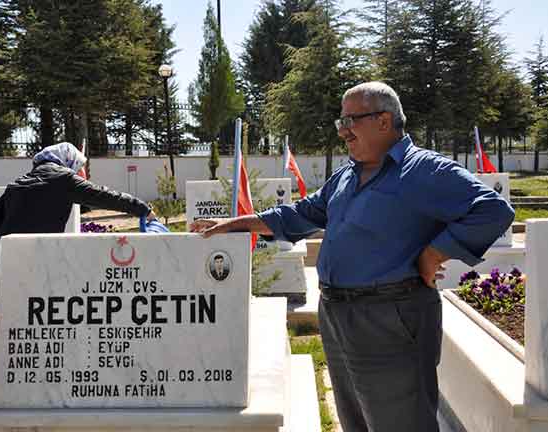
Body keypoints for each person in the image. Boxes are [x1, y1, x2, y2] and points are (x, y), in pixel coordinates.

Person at [191, 82, 515, 432]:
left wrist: (434, 253)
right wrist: (233, 224)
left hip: (391, 318)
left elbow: (493, 211)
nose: (343, 130)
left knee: (401, 422)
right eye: (341, 121)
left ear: (384, 121)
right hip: (337, 316)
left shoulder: (425, 171)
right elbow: (299, 215)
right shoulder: (347, 174)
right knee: (355, 421)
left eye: (351, 120)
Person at [0, 142, 156, 295]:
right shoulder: (64, 180)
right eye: (81, 166)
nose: (82, 172)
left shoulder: (17, 184)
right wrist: (142, 209)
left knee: (11, 323)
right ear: (69, 161)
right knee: (29, 321)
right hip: (30, 264)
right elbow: (106, 196)